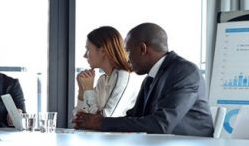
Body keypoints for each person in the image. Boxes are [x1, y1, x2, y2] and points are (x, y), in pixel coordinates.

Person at [73, 22, 213, 136]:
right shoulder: (150, 78)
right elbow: (134, 118)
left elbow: (161, 124)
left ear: (142, 49)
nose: (126, 57)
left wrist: (99, 122)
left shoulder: (185, 72)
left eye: (128, 51)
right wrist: (93, 121)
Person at [73, 26, 143, 118]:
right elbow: (79, 119)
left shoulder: (124, 77)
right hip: (104, 133)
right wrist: (82, 90)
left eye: (88, 49)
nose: (85, 55)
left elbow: (106, 119)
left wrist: (89, 90)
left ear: (102, 51)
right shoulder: (103, 80)